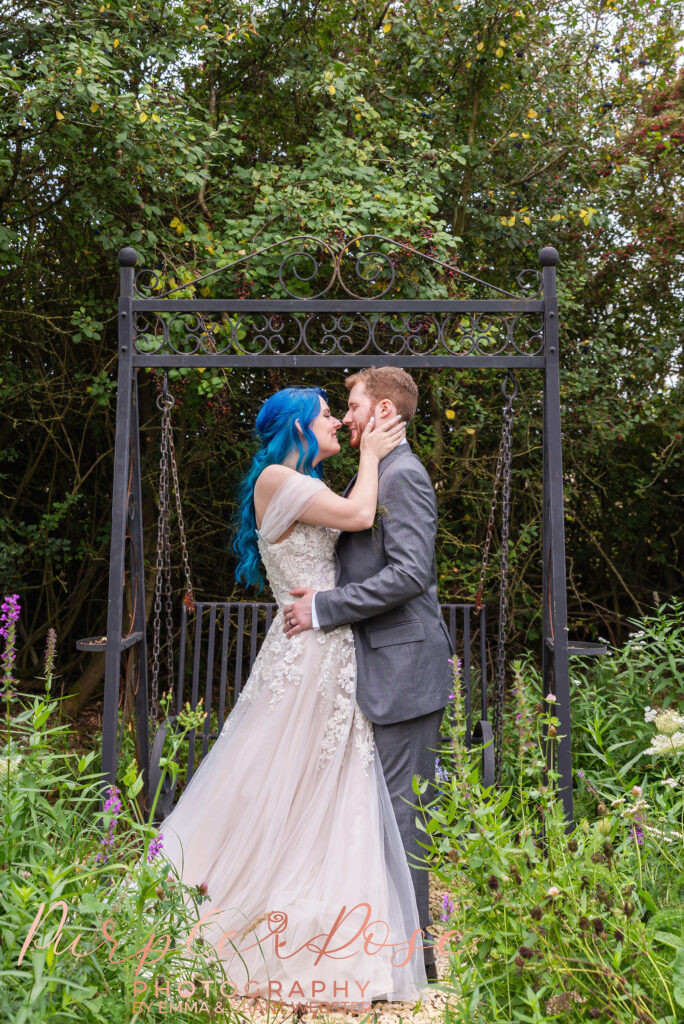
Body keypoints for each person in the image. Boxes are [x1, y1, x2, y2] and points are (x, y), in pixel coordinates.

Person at [155, 384, 433, 1013]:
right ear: (299, 427)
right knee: (280, 777)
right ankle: (257, 912)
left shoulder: (300, 482)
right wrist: (372, 457)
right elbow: (362, 517)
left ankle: (322, 914)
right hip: (310, 653)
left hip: (328, 647)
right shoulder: (281, 480)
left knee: (320, 782)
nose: (339, 419)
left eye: (345, 409)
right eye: (328, 414)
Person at [282, 367, 455, 982]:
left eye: (352, 405)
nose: (347, 416)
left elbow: (411, 574)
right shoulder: (379, 473)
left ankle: (414, 961)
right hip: (374, 666)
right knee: (379, 812)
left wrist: (324, 608)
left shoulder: (404, 477)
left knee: (402, 817)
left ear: (382, 410)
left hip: (404, 669)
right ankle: (386, 953)